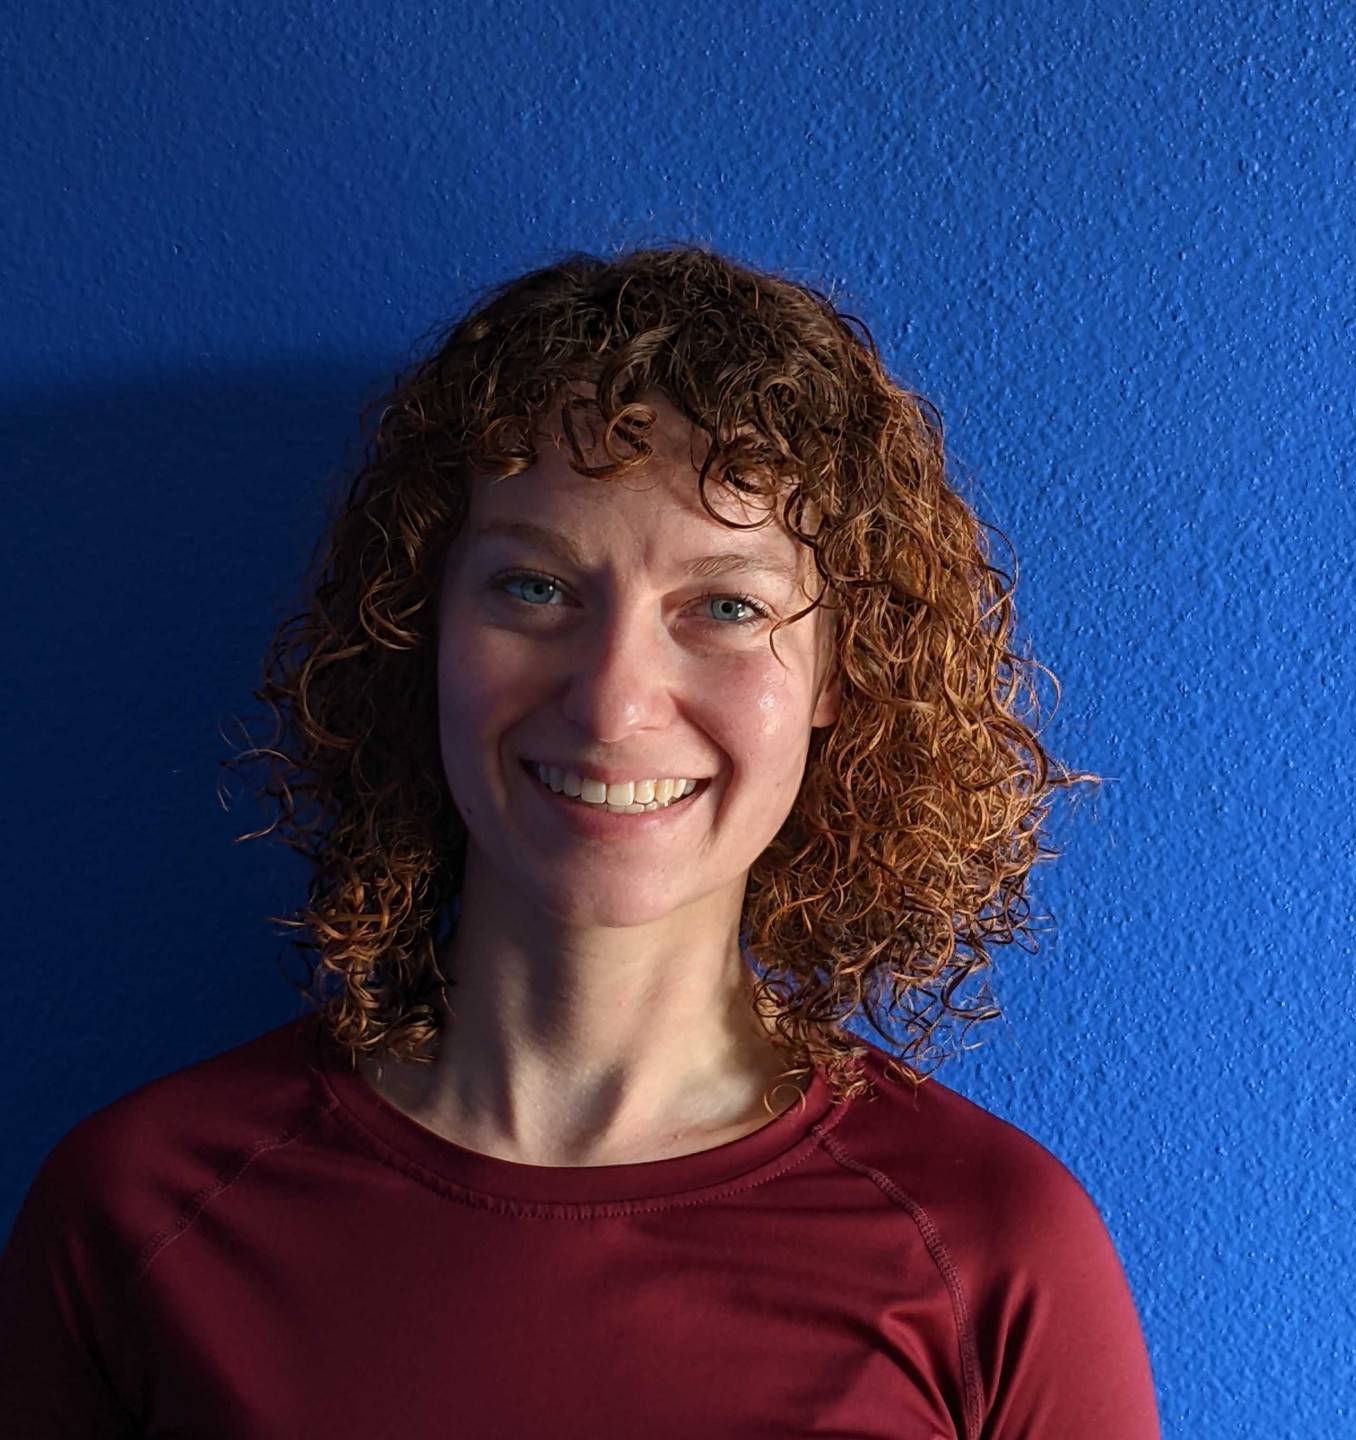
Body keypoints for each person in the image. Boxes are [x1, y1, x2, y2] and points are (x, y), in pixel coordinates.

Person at [0, 246, 1161, 1437]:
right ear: (421, 628)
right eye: (536, 589)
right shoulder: (142, 1212)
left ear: (839, 672)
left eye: (727, 606)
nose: (612, 704)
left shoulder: (989, 1251)